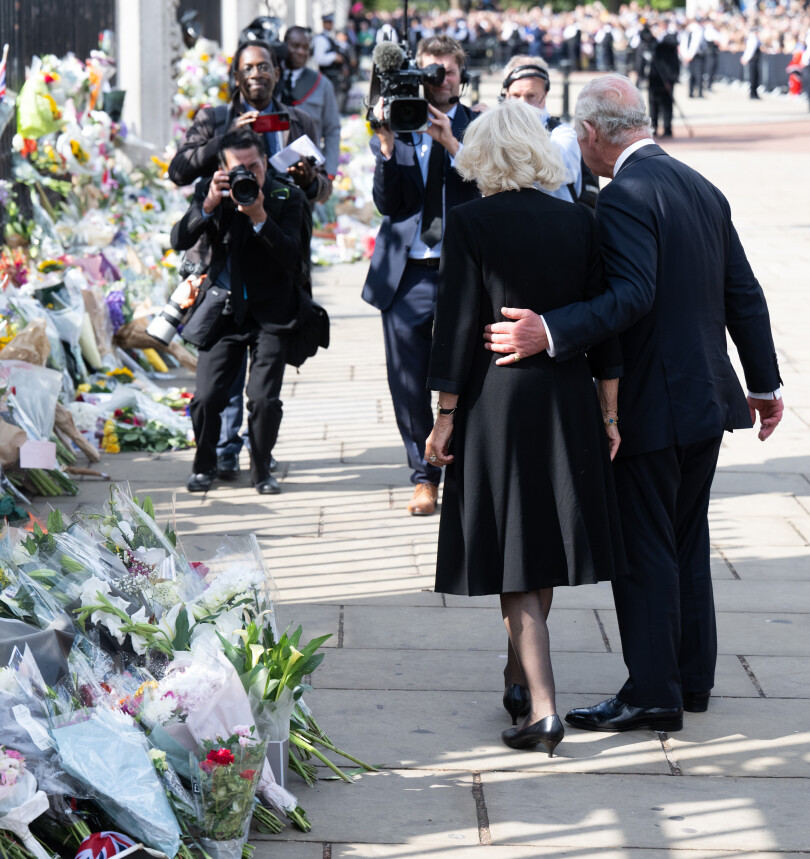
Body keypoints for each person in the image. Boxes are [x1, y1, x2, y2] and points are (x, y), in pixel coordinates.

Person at [483, 74, 783, 732]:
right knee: (686, 542)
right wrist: (764, 385)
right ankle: (690, 676)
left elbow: (633, 295)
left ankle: (652, 690)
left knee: (646, 549)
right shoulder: (700, 186)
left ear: (589, 133)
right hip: (706, 398)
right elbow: (745, 292)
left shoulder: (625, 196)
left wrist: (549, 330)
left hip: (654, 399)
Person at [424, 99, 625, 754]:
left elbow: (455, 325)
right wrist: (610, 408)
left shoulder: (472, 222)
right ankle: (517, 674)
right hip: (566, 395)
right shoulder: (580, 220)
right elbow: (605, 325)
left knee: (513, 553)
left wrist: (444, 418)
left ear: (482, 153)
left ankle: (543, 708)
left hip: (499, 401)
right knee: (535, 543)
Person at [169, 41, 330, 484]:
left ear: (279, 72)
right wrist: (223, 150)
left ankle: (258, 462)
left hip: (277, 255)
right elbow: (178, 171)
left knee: (261, 393)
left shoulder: (298, 123)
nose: (257, 74)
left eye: (264, 67)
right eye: (248, 68)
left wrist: (306, 179)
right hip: (221, 274)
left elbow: (323, 192)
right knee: (212, 390)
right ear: (235, 75)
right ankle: (220, 453)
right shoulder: (215, 118)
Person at [362, 35, 480, 517]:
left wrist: (452, 144)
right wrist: (388, 143)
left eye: (448, 71)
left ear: (460, 77)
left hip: (463, 269)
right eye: (432, 70)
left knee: (468, 373)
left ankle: (466, 468)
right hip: (407, 271)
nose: (440, 79)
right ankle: (422, 475)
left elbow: (490, 192)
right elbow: (391, 205)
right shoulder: (401, 118)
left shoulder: (479, 126)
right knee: (408, 382)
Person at [171, 127, 305, 495]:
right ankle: (204, 465)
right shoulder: (210, 193)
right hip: (223, 310)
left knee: (263, 399)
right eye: (238, 169)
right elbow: (178, 240)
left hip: (271, 311)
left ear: (265, 162)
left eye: (254, 167)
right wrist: (208, 206)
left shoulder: (284, 194)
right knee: (206, 397)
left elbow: (293, 256)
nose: (248, 175)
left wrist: (261, 216)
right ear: (222, 169)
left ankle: (261, 470)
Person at [500, 56, 586, 205]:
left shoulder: (564, 134)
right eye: (515, 95)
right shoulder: (498, 131)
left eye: (530, 96)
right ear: (505, 95)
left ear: (544, 96)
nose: (522, 104)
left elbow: (554, 173)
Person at [278, 26, 342, 186]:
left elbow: (332, 130)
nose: (300, 52)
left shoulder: (322, 84)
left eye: (305, 48)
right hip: (273, 171)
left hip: (308, 171)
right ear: (284, 46)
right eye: (295, 46)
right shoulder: (271, 80)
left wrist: (329, 173)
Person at [313, 13, 351, 113]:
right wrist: (334, 57)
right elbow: (319, 58)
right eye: (328, 22)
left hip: (335, 76)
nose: (330, 25)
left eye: (331, 22)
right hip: (328, 75)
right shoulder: (320, 39)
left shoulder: (329, 36)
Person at [648, 26, 680, 138]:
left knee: (667, 105)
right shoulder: (654, 42)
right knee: (653, 105)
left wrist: (659, 37)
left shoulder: (669, 38)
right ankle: (654, 128)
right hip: (655, 76)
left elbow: (673, 43)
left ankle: (667, 129)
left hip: (667, 77)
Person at [741, 27, 762, 100]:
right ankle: (753, 93)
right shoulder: (753, 39)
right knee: (753, 77)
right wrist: (746, 58)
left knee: (754, 76)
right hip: (753, 60)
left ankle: (754, 93)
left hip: (753, 60)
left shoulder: (752, 38)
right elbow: (750, 50)